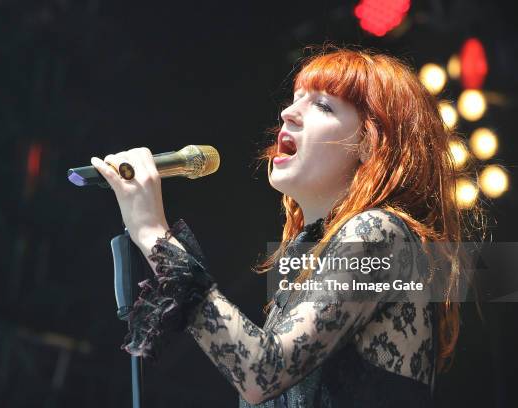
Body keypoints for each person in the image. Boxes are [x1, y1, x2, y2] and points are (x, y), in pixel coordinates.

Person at [90, 47, 483, 407]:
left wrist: (153, 233)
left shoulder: (380, 233)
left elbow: (262, 371)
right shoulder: (308, 264)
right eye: (294, 100)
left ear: (370, 145)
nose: (288, 114)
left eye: (323, 106)